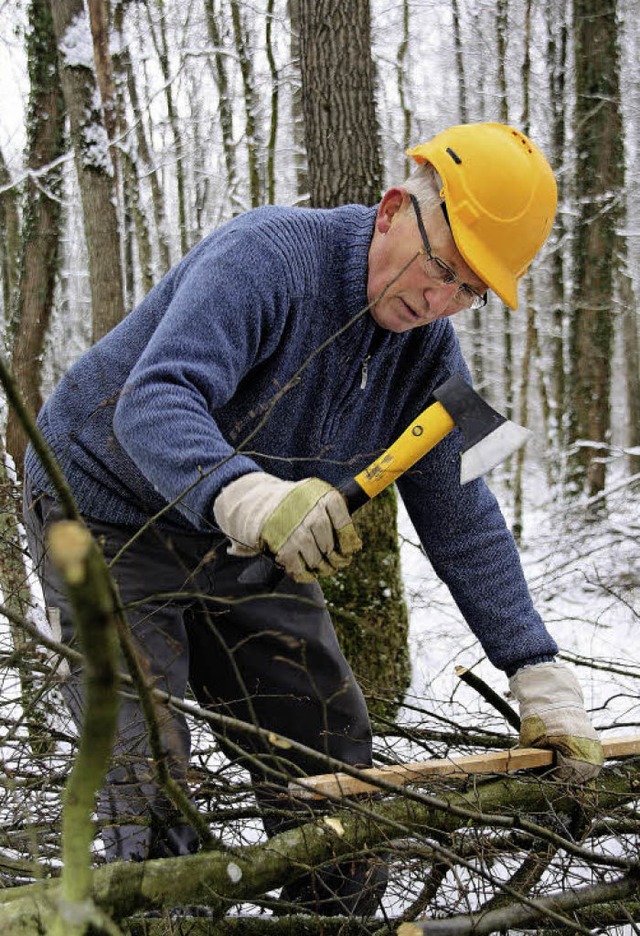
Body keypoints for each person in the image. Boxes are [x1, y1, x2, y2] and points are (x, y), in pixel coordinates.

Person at [23, 122, 603, 914]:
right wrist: (255, 495)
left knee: (330, 747)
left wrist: (536, 670)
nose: (440, 301)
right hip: (100, 505)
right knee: (151, 766)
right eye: (441, 269)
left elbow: (469, 515)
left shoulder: (435, 356)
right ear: (396, 208)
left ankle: (334, 920)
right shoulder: (266, 254)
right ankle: (169, 916)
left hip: (234, 530)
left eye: (469, 292)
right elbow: (152, 402)